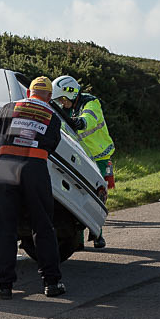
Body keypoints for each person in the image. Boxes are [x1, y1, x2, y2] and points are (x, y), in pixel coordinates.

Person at [0, 76, 65, 299]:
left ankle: (4, 286)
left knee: (4, 226)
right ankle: (51, 283)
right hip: (34, 167)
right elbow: (52, 145)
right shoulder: (52, 117)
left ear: (29, 92)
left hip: (7, 166)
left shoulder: (8, 107)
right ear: (49, 96)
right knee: (43, 225)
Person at [51, 75, 115, 249]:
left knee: (97, 195)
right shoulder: (64, 108)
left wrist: (79, 122)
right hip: (80, 156)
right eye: (59, 100)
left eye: (62, 99)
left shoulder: (90, 103)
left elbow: (89, 119)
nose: (61, 103)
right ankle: (77, 239)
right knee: (76, 193)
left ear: (71, 93)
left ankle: (97, 234)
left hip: (99, 156)